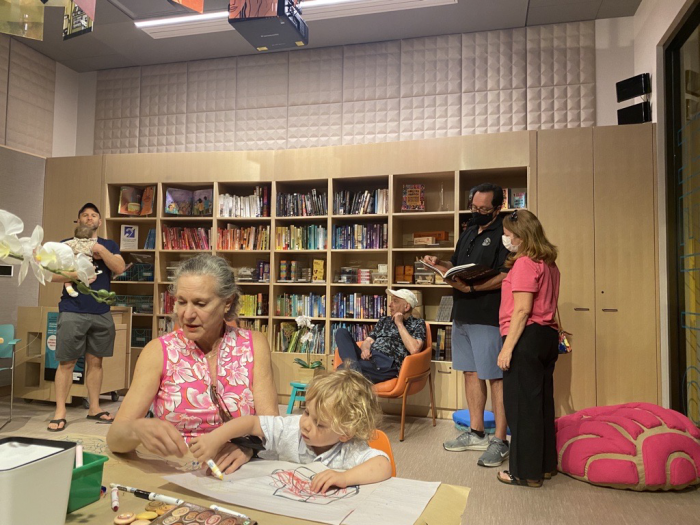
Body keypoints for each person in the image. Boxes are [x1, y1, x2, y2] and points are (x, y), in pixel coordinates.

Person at [107, 254, 279, 474]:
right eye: (181, 302)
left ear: (227, 302)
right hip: (176, 473)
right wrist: (135, 430)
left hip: (239, 475)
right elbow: (115, 439)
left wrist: (248, 448)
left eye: (200, 303)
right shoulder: (158, 352)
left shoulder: (254, 345)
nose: (187, 314)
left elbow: (273, 428)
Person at [190, 369, 392, 492]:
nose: (305, 424)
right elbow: (251, 423)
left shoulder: (350, 448)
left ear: (344, 433)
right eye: (306, 412)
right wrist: (216, 437)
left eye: (319, 424)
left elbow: (383, 465)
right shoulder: (290, 429)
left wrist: (344, 478)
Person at [424, 183, 510, 467]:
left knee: (495, 377)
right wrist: (440, 263)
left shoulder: (505, 233)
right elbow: (458, 263)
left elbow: (505, 274)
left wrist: (474, 289)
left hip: (488, 314)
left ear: (498, 208)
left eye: (484, 209)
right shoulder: (469, 230)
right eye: (475, 208)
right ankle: (475, 432)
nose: (478, 213)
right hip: (461, 313)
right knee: (471, 373)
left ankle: (500, 440)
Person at [47, 203, 126, 432]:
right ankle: (60, 411)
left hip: (101, 311)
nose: (89, 218)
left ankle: (94, 408)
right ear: (78, 220)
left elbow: (119, 268)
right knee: (66, 362)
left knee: (96, 362)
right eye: (85, 215)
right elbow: (51, 275)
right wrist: (78, 274)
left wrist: (101, 251)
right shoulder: (64, 245)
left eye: (93, 216)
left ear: (99, 222)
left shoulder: (109, 245)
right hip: (73, 309)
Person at [496, 209, 560, 488]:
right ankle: (544, 467)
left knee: (522, 408)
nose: (506, 240)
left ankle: (525, 473)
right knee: (542, 405)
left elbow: (522, 310)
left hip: (526, 337)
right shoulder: (550, 264)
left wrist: (506, 349)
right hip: (546, 338)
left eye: (509, 235)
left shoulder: (524, 264)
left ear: (521, 237)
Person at [335, 289, 426, 384]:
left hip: (386, 365)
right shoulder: (384, 320)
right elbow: (368, 341)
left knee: (340, 372)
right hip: (369, 358)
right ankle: (353, 369)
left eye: (395, 301)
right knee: (341, 332)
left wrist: (399, 324)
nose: (390, 305)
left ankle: (351, 370)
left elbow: (414, 349)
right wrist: (365, 349)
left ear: (406, 307)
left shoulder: (418, 324)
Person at [62, 224, 99, 298]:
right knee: (93, 276)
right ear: (90, 236)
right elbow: (98, 249)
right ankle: (84, 283)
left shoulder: (72, 242)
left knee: (67, 279)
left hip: (74, 263)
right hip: (86, 264)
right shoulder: (92, 242)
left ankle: (70, 290)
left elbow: (62, 245)